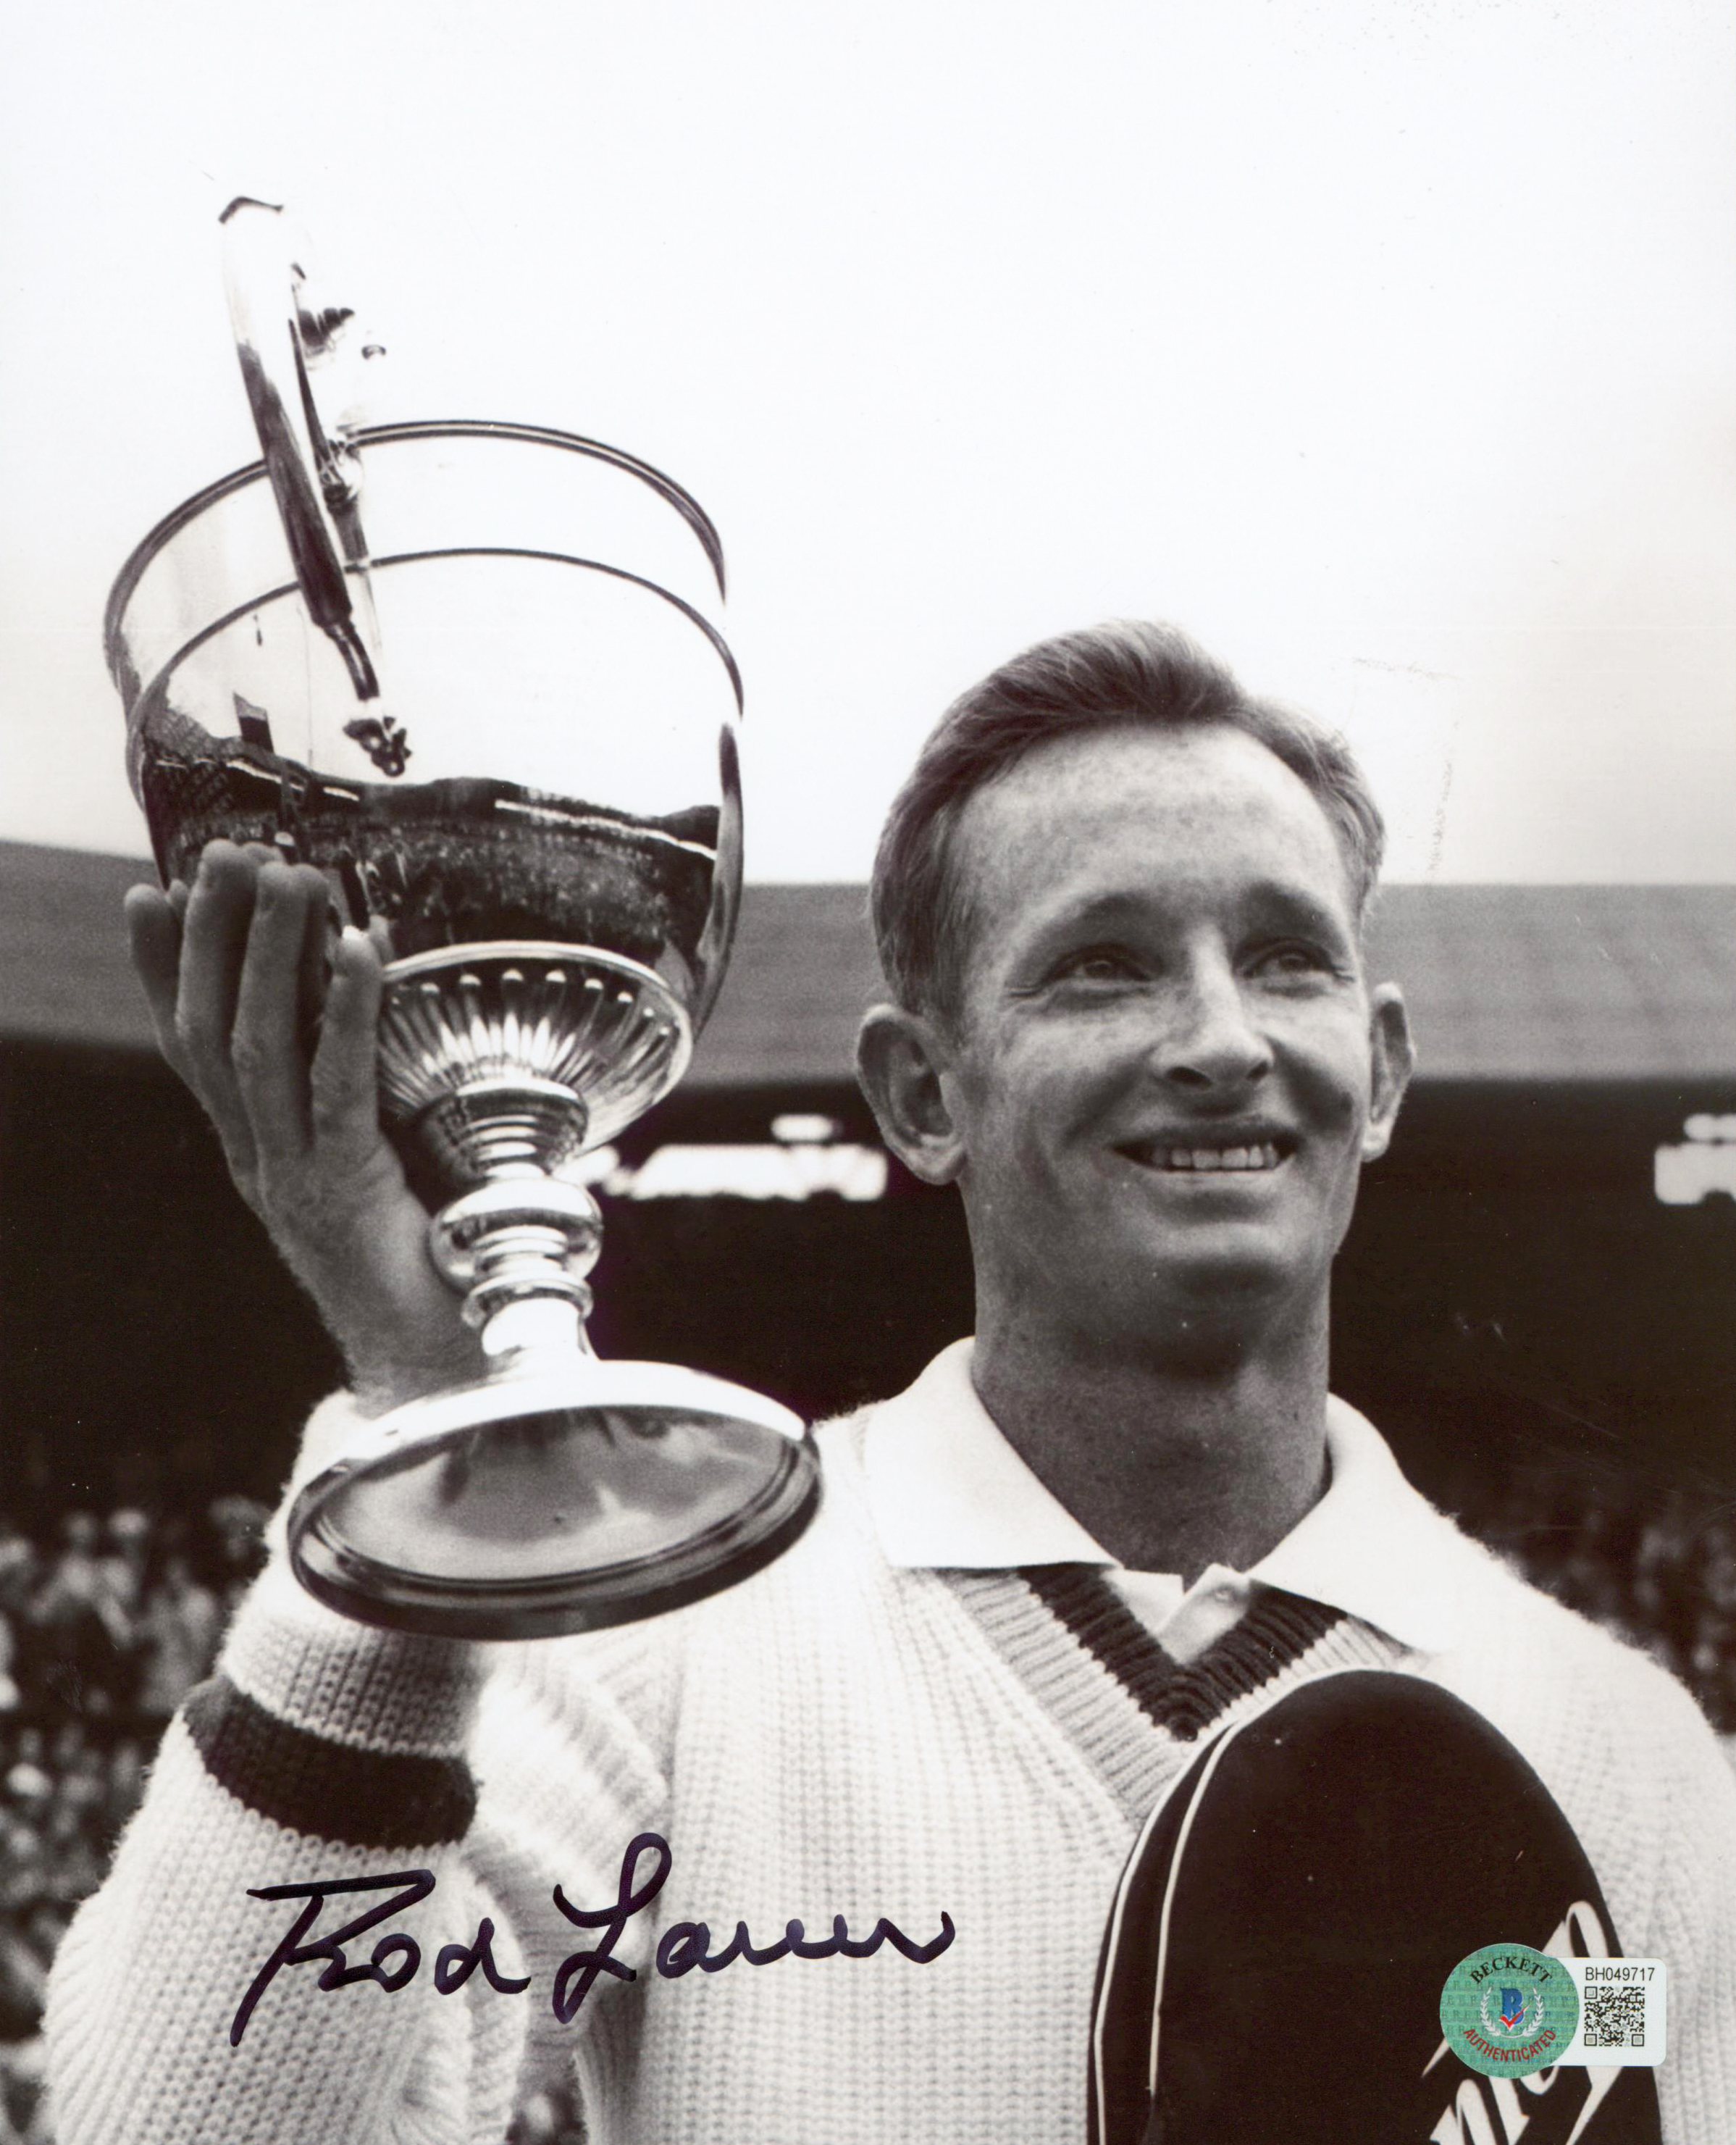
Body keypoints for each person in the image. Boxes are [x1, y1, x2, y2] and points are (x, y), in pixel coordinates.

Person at [43, 622, 1736, 2143]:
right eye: (1103, 963)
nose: (1222, 1037)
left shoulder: (1621, 1756)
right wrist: (432, 1430)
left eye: (1286, 956)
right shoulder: (665, 1636)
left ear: (1380, 1070)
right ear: (921, 1092)